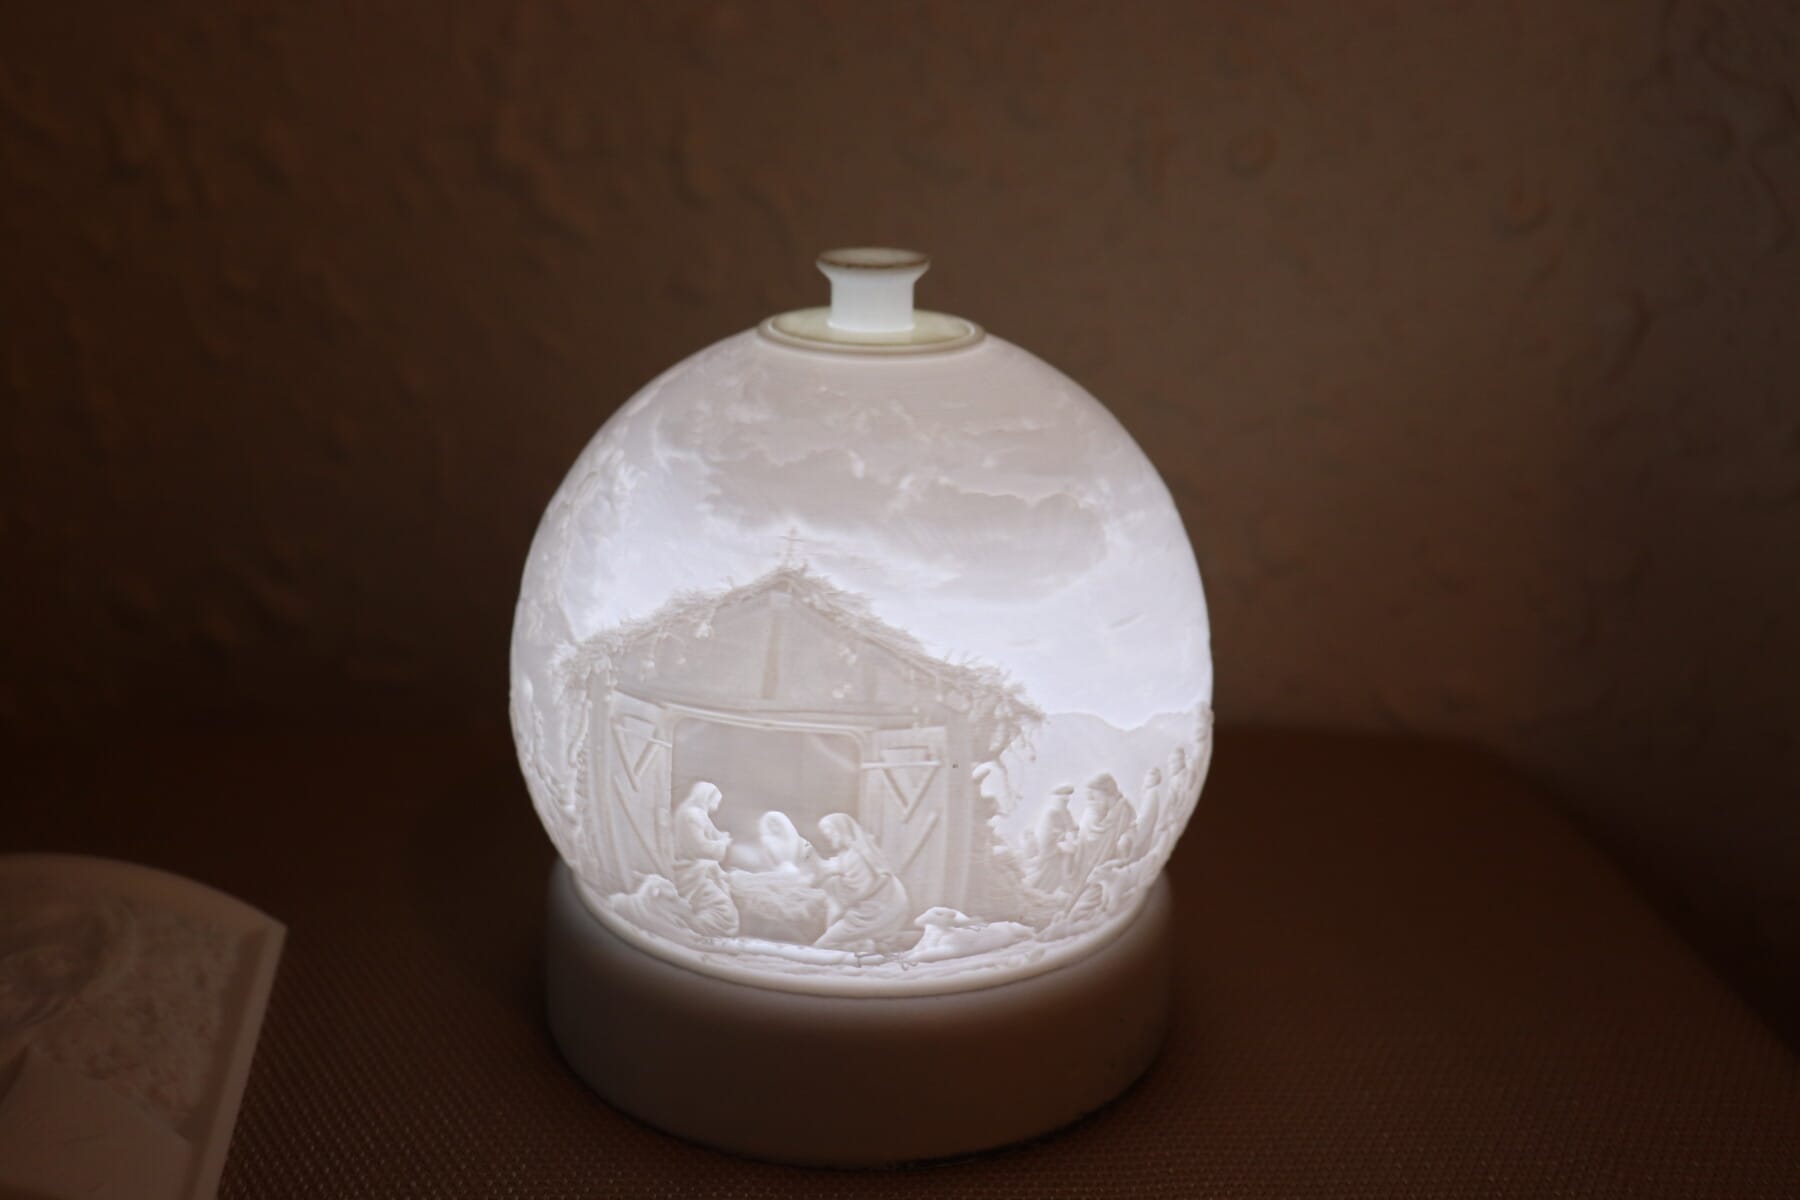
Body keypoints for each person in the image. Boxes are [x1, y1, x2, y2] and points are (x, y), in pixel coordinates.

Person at [813, 813, 911, 953]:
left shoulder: (856, 855)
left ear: (842, 830)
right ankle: (880, 944)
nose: (828, 836)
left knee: (823, 945)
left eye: (831, 831)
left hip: (876, 911)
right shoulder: (847, 854)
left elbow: (859, 890)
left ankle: (873, 946)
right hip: (877, 907)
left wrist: (832, 884)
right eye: (825, 833)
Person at [670, 782, 739, 937]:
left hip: (697, 869)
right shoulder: (693, 814)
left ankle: (693, 927)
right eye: (716, 801)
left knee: (723, 903)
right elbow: (699, 848)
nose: (717, 805)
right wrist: (722, 844)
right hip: (691, 871)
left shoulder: (693, 812)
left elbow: (711, 834)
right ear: (706, 797)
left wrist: (722, 838)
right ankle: (692, 929)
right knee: (724, 911)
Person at [1023, 785, 1078, 895]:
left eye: (1067, 798)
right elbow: (1045, 835)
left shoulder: (1065, 812)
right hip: (1052, 849)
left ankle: (1067, 885)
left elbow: (1071, 827)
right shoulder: (1051, 812)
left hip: (1062, 845)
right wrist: (1061, 840)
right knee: (1050, 875)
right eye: (1063, 799)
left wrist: (1072, 832)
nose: (1066, 801)